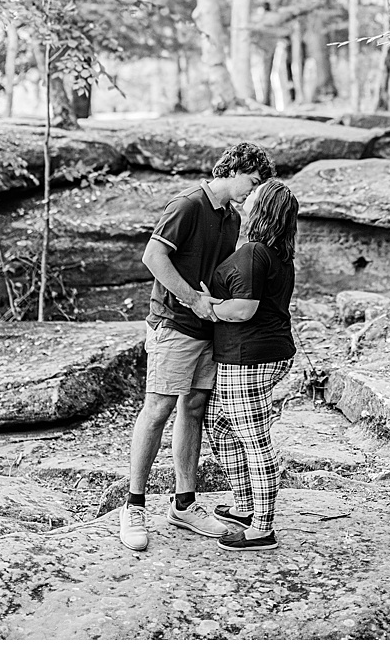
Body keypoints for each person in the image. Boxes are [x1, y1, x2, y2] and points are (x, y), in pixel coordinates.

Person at [118, 142, 276, 552]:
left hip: (209, 332)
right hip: (174, 324)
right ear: (234, 169)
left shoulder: (231, 216)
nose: (253, 191)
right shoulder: (187, 205)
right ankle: (133, 506)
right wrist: (191, 298)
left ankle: (183, 504)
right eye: (252, 182)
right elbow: (153, 257)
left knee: (194, 409)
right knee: (158, 409)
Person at [199, 177, 299, 552]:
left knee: (254, 439)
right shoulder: (273, 251)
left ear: (264, 208)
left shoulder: (257, 251)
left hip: (250, 358)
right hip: (256, 355)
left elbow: (243, 309)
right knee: (222, 427)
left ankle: (262, 529)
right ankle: (244, 506)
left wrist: (206, 306)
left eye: (256, 192)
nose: (249, 192)